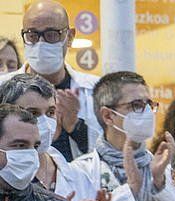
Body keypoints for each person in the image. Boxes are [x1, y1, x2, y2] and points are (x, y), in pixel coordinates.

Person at [70, 71, 175, 201]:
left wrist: (158, 182)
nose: (147, 112)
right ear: (108, 116)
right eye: (136, 105)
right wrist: (132, 189)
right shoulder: (79, 172)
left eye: (149, 104)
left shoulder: (163, 168)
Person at [0, 1, 100, 161]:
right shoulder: (2, 88)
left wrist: (76, 127)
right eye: (32, 35)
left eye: (51, 34)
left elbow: (109, 153)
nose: (41, 43)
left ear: (70, 37)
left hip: (74, 182)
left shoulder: (96, 91)